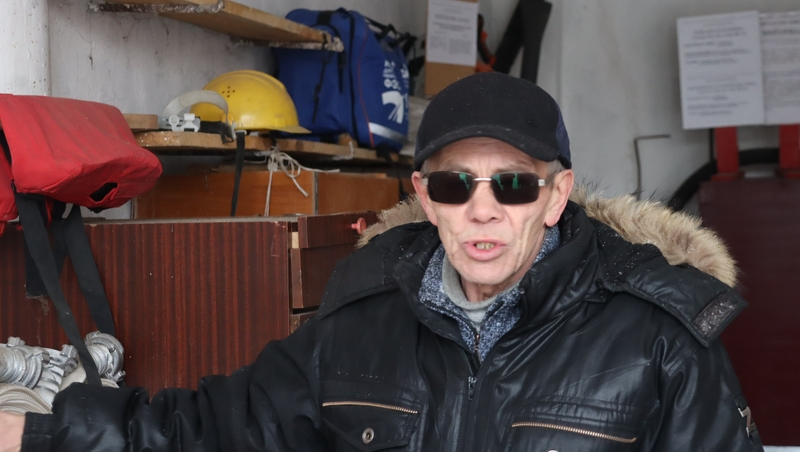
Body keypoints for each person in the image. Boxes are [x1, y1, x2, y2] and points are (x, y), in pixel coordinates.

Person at [0, 72, 763, 451]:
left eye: (514, 184)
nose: (484, 210)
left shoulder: (660, 337)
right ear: (425, 197)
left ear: (557, 195)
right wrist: (27, 433)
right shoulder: (360, 320)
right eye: (456, 185)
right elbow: (199, 432)